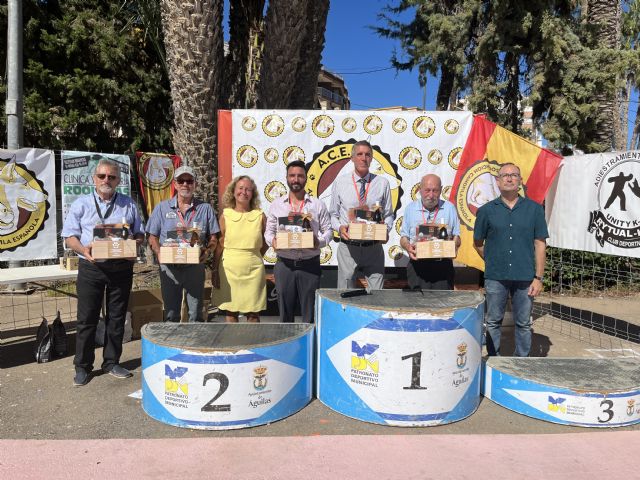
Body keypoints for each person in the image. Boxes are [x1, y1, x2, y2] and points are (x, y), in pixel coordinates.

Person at [61, 158, 144, 387]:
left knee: (116, 318)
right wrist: (83, 250)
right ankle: (82, 366)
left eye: (112, 177)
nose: (106, 180)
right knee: (86, 319)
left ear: (118, 180)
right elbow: (69, 237)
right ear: (94, 179)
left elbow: (140, 234)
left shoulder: (129, 204)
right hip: (91, 267)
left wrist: (134, 246)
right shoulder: (81, 204)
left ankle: (111, 362)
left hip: (121, 268)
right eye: (102, 176)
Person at [473, 163, 548, 357]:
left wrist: (538, 278)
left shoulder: (534, 209)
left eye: (514, 175)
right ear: (497, 182)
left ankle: (520, 363)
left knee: (523, 323)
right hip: (495, 276)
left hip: (525, 277)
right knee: (493, 321)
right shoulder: (486, 211)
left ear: (520, 181)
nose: (509, 178)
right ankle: (494, 361)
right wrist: (492, 259)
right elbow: (478, 242)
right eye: (504, 175)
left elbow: (540, 244)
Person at [146, 165, 219, 323]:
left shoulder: (205, 209)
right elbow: (152, 236)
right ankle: (173, 346)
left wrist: (207, 252)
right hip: (170, 267)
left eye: (189, 181)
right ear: (175, 184)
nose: (185, 184)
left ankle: (194, 346)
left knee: (196, 314)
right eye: (181, 180)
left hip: (195, 267)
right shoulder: (161, 208)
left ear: (195, 184)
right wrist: (158, 252)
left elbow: (214, 238)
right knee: (171, 314)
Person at [264, 160, 333, 323]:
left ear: (306, 178)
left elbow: (329, 231)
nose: (296, 179)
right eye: (292, 176)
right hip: (284, 265)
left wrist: (319, 242)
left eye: (300, 176)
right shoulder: (276, 205)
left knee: (310, 316)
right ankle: (288, 348)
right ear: (287, 178)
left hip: (310, 265)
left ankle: (309, 348)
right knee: (285, 316)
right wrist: (272, 242)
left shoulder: (317, 205)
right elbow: (268, 232)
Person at [329, 140, 393, 290]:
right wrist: (339, 228)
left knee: (377, 295)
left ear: (371, 158)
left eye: (367, 155)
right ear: (352, 158)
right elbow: (333, 214)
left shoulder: (382, 183)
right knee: (345, 294)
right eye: (359, 154)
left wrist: (386, 230)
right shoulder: (340, 182)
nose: (363, 158)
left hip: (374, 247)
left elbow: (389, 214)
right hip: (348, 247)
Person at [212, 176, 267, 322]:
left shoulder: (260, 216)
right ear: (233, 191)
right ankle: (234, 344)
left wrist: (253, 256)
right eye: (241, 188)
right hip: (229, 271)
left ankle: (252, 344)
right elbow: (219, 245)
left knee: (253, 314)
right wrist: (215, 270)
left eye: (248, 189)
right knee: (231, 313)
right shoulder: (226, 215)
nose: (244, 192)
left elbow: (265, 242)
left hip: (254, 271)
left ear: (253, 193)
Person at [400, 174, 461, 289]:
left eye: (435, 190)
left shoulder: (450, 208)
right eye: (427, 190)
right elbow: (404, 238)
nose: (431, 195)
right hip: (418, 266)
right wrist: (408, 247)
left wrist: (455, 245)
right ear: (420, 190)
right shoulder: (410, 209)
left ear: (441, 190)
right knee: (417, 305)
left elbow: (457, 237)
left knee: (443, 305)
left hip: (442, 266)